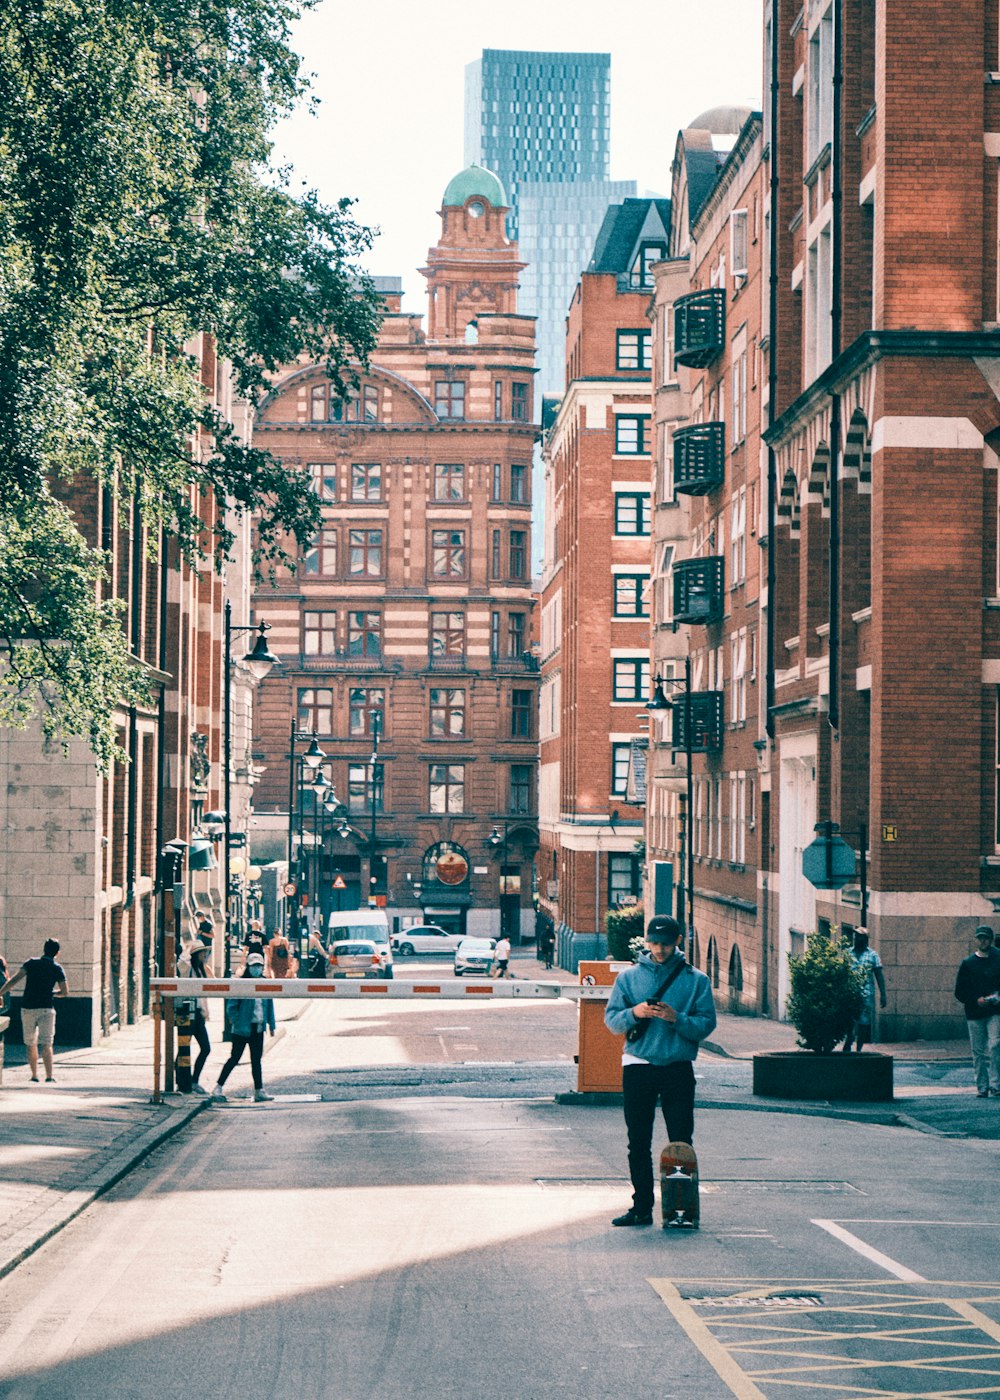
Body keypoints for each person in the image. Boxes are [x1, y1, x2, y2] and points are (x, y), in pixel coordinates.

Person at [604, 915, 717, 1227]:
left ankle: (680, 1210)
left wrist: (676, 1018)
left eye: (666, 943)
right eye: (654, 942)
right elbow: (612, 1021)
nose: (659, 949)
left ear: (677, 941)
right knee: (637, 1141)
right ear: (646, 941)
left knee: (681, 1143)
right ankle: (641, 1208)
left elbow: (706, 1025)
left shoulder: (696, 980)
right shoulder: (628, 979)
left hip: (677, 1068)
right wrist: (635, 1012)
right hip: (638, 1066)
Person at [210, 949, 276, 1102]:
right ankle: (218, 1086)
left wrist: (271, 1025)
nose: (257, 969)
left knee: (256, 1061)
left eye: (259, 966)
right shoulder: (241, 983)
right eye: (254, 966)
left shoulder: (265, 983)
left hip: (258, 1027)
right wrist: (235, 1021)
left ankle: (259, 1090)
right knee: (234, 1058)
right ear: (248, 966)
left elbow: (269, 1005)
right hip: (242, 1029)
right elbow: (232, 1006)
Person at [0, 938, 68, 1083]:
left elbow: (14, 980)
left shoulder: (30, 963)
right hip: (46, 1008)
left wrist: (0, 992)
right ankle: (49, 1076)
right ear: (58, 953)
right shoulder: (57, 968)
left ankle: (34, 1075)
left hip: (28, 1007)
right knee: (47, 1043)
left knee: (30, 1043)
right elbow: (65, 992)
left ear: (44, 949)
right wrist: (53, 993)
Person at [955, 925, 1000, 1097]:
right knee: (978, 1051)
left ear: (991, 939)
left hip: (995, 1010)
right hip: (974, 1012)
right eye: (980, 938)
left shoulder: (997, 959)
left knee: (995, 1045)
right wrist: (976, 1000)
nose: (983, 941)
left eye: (986, 938)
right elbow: (960, 991)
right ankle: (982, 1086)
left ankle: (996, 1084)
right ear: (976, 940)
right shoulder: (968, 963)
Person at [176, 935, 212, 1095]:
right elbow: (181, 962)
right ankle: (182, 1081)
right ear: (196, 954)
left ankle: (193, 1080)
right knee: (184, 1048)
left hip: (197, 1015)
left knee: (205, 1048)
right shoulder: (188, 968)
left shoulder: (200, 970)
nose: (205, 956)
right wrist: (188, 950)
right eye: (202, 953)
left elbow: (202, 996)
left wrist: (205, 1012)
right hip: (187, 1013)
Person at [841, 929, 887, 1052]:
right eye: (855, 936)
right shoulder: (847, 953)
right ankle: (849, 1039)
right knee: (849, 1020)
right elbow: (842, 972)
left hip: (866, 994)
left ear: (865, 939)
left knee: (863, 1022)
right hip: (850, 993)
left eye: (859, 937)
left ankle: (859, 1048)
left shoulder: (873, 955)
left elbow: (879, 975)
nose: (856, 939)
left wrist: (883, 994)